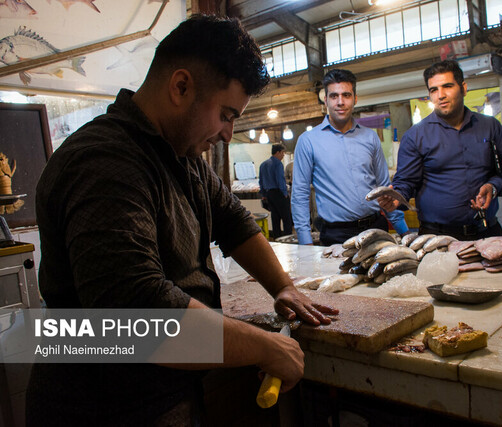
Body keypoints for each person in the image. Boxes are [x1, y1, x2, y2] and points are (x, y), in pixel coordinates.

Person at [27, 15, 337, 426]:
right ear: (180, 87)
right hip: (104, 404)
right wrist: (264, 348)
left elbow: (233, 221)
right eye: (226, 114)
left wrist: (283, 287)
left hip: (165, 388)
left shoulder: (182, 154)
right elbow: (137, 312)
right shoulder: (105, 161)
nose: (229, 134)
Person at [378, 59, 502, 241]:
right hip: (436, 238)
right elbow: (406, 182)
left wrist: (493, 187)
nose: (441, 95)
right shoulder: (416, 135)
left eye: (447, 86)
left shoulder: (489, 126)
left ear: (463, 88)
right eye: (434, 90)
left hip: (486, 233)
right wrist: (396, 199)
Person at [291, 69, 409, 246]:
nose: (340, 102)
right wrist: (305, 242)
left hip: (376, 229)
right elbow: (300, 194)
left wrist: (405, 232)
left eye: (346, 95)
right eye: (334, 96)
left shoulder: (370, 137)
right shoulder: (308, 141)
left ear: (355, 98)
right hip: (337, 235)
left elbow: (384, 189)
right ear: (326, 100)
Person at [259, 143, 293, 238]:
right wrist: (285, 193)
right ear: (278, 152)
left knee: (275, 218)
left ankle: (277, 238)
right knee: (286, 219)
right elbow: (280, 180)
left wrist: (264, 194)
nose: (283, 155)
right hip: (279, 193)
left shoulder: (263, 164)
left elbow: (261, 181)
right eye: (282, 153)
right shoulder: (278, 163)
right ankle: (288, 238)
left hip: (269, 194)